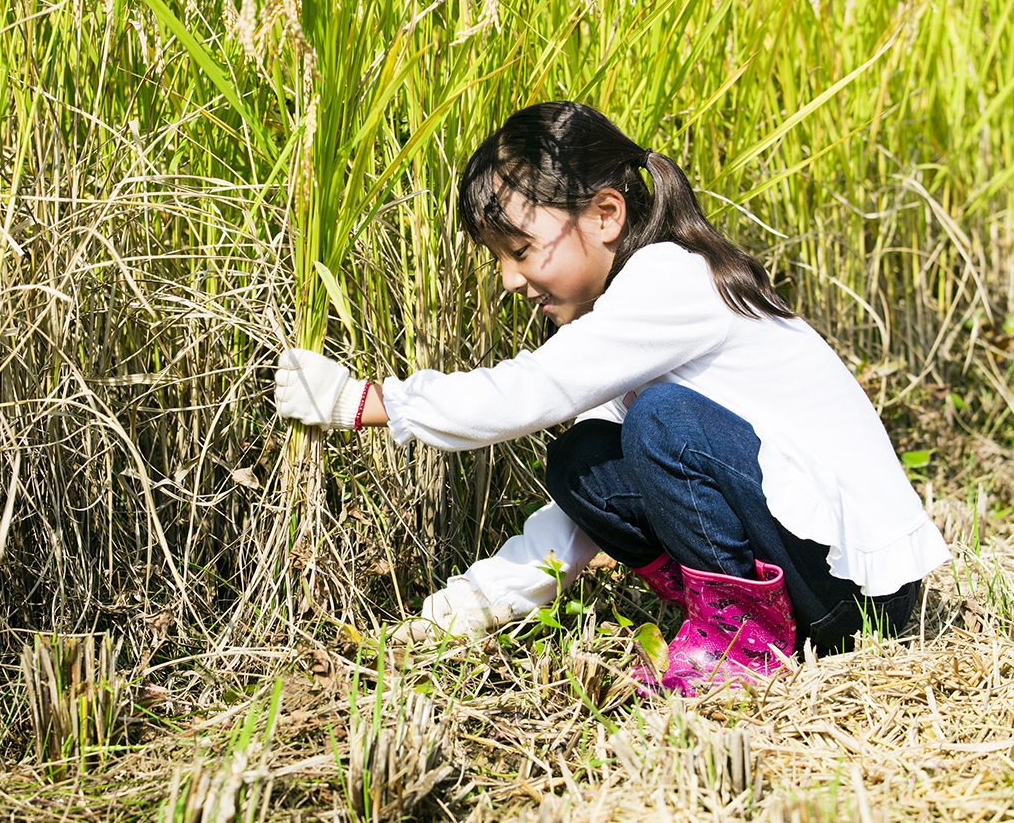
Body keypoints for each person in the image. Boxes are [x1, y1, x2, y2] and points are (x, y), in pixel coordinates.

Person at [274, 101, 951, 696]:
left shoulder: (669, 281)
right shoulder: (630, 327)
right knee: (584, 461)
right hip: (812, 578)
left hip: (859, 596)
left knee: (663, 423)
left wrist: (372, 401)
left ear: (605, 213)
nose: (510, 280)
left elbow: (530, 391)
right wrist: (456, 613)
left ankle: (740, 639)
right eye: (498, 259)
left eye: (521, 249)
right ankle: (723, 614)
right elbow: (575, 523)